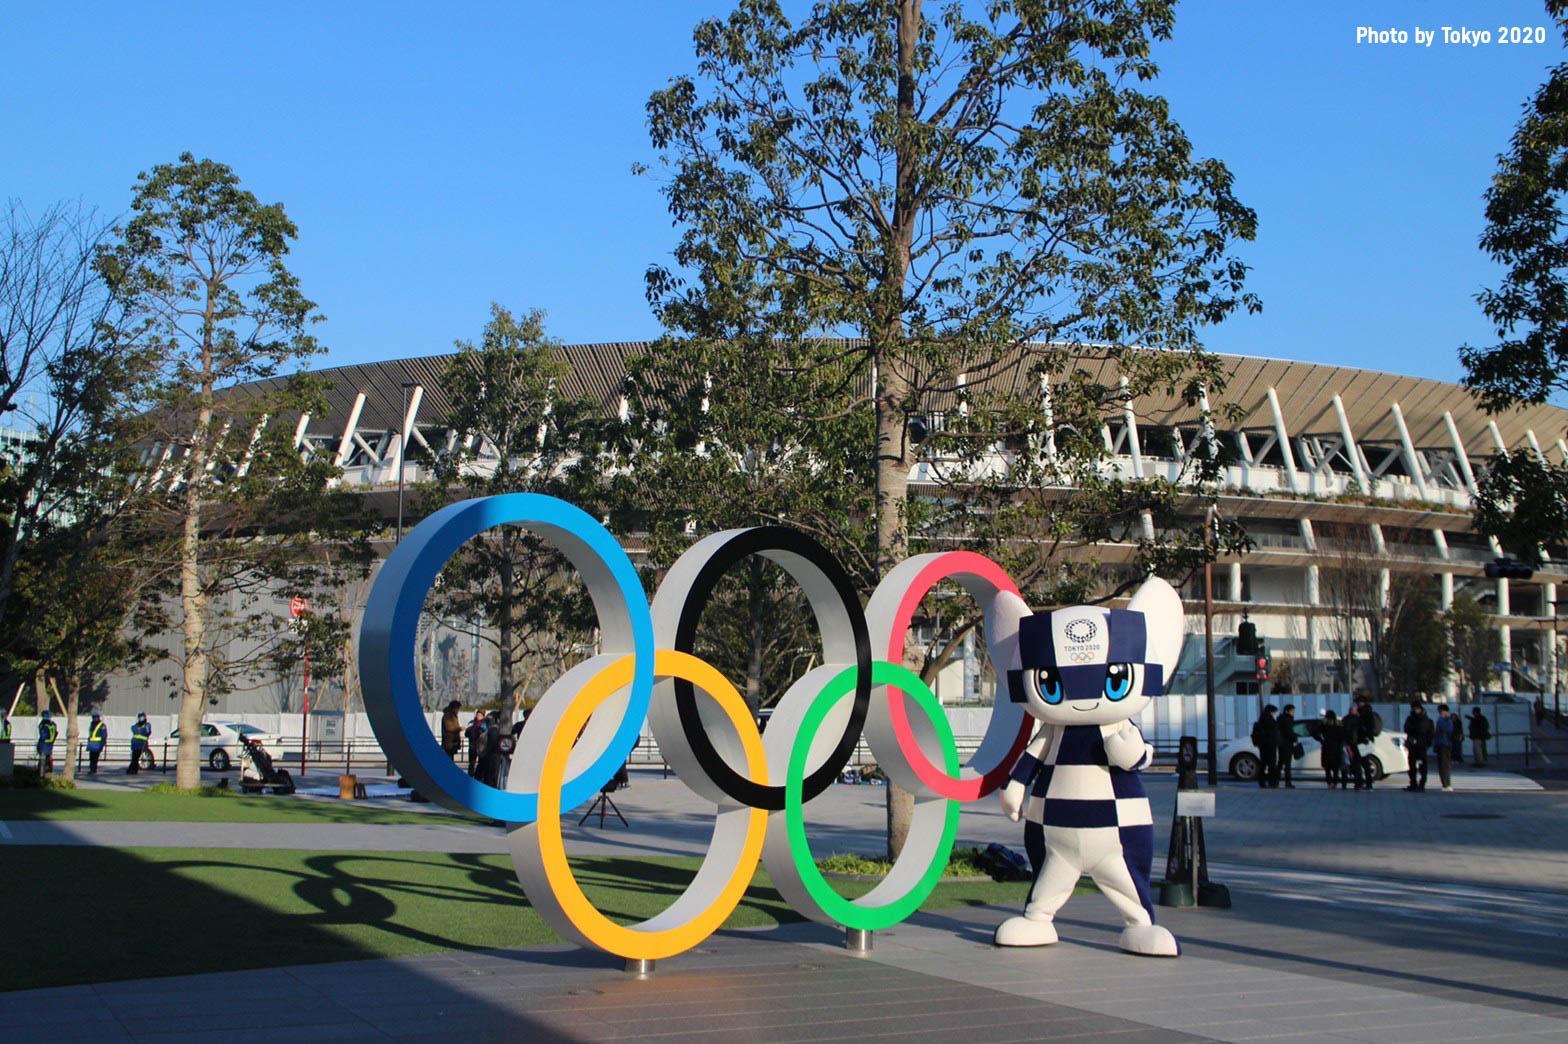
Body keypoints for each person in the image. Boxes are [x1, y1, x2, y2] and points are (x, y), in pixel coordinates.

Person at [1403, 701, 1433, 791]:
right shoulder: (1410, 718)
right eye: (1414, 709)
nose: (1415, 710)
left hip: (1421, 746)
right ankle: (1413, 783)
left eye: (1417, 709)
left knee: (1422, 766)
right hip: (1412, 745)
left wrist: (1427, 743)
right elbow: (1406, 728)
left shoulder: (1425, 719)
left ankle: (1422, 784)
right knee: (1411, 766)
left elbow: (1423, 730)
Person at [1251, 705, 1279, 788]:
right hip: (1270, 745)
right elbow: (1274, 734)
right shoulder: (1271, 721)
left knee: (1263, 764)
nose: (1276, 714)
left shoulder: (1260, 721)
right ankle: (1272, 782)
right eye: (1275, 712)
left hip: (1262, 746)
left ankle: (1261, 782)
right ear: (1271, 712)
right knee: (1271, 764)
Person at [1319, 710, 1347, 789]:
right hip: (1336, 747)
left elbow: (1314, 732)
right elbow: (1343, 736)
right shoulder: (1339, 724)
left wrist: (1321, 740)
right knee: (1336, 767)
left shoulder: (1323, 724)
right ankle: (1335, 782)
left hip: (1326, 746)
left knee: (1327, 768)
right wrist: (1341, 744)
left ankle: (1329, 783)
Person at [1433, 704, 1458, 792]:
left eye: (1440, 711)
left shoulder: (1446, 720)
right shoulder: (1442, 720)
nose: (1439, 712)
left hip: (1445, 744)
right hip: (1441, 744)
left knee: (1444, 765)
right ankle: (1445, 784)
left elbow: (1448, 731)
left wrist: (1445, 719)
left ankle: (1447, 784)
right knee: (1441, 765)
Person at [1276, 704, 1299, 789]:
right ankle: (1288, 783)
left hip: (1282, 744)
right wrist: (1295, 737)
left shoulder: (1282, 718)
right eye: (1292, 711)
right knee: (1287, 765)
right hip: (1286, 744)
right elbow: (1289, 732)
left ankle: (1276, 781)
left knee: (1280, 763)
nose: (1293, 713)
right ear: (1287, 711)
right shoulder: (1286, 720)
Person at [465, 711, 486, 777]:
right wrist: (469, 730)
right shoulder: (472, 723)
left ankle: (479, 777)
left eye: (480, 715)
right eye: (477, 715)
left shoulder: (485, 723)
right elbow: (466, 734)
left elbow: (486, 734)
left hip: (481, 746)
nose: (478, 716)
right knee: (471, 763)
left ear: (483, 716)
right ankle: (470, 776)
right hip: (472, 745)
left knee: (481, 763)